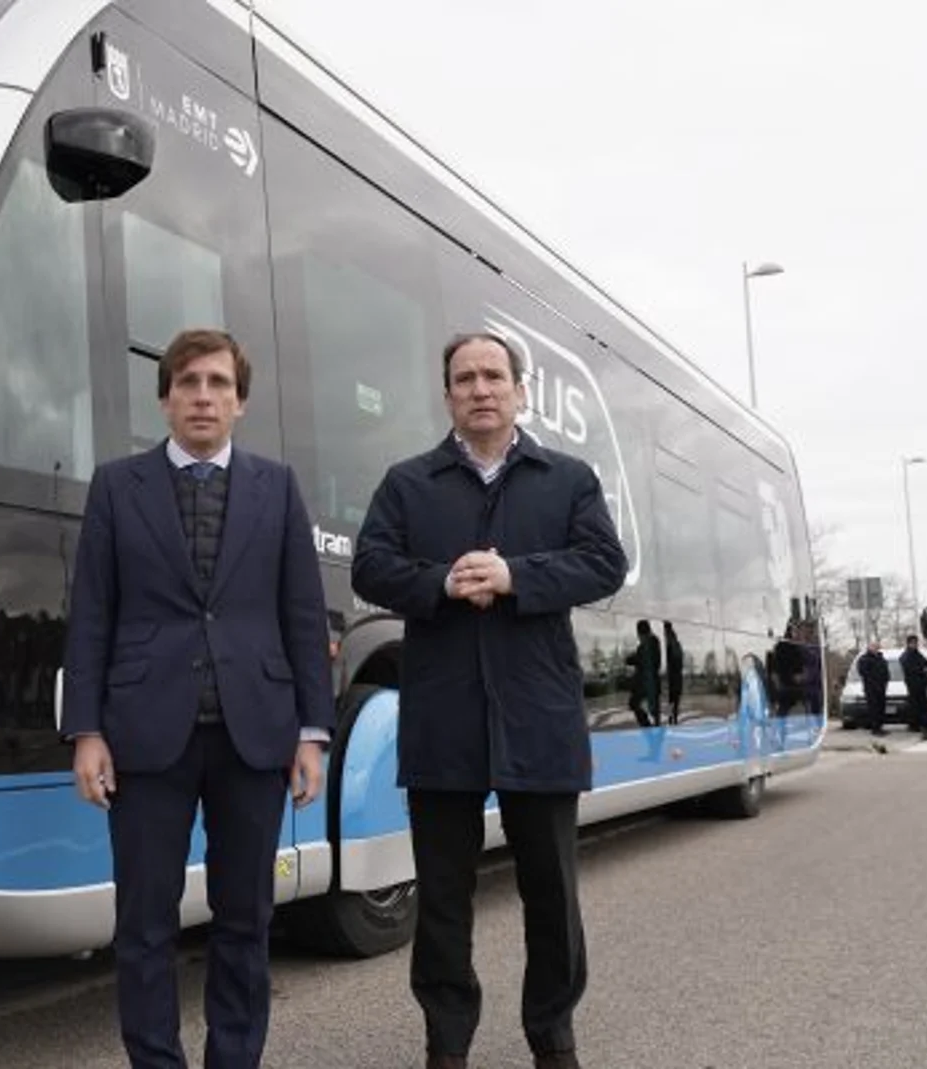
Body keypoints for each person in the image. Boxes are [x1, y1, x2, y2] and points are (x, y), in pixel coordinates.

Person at [61, 328, 335, 1069]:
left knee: (246, 918)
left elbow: (303, 615)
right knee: (144, 923)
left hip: (257, 735)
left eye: (218, 383)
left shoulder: (276, 486)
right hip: (145, 737)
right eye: (188, 383)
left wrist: (312, 731)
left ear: (240, 402)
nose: (203, 396)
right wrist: (85, 729)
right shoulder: (118, 485)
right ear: (166, 399)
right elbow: (92, 612)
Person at [352, 332, 627, 1069]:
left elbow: (606, 562)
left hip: (538, 715)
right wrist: (439, 584)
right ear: (447, 395)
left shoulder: (567, 478)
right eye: (465, 377)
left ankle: (553, 1033)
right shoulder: (408, 484)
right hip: (442, 719)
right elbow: (372, 566)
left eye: (494, 376)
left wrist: (515, 577)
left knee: (552, 894)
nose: (480, 388)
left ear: (519, 390)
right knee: (442, 901)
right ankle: (446, 1042)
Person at [898, 635, 927, 740]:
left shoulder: (918, 654)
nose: (915, 645)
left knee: (926, 705)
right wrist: (922, 670)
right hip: (914, 685)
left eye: (916, 643)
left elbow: (926, 664)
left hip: (923, 684)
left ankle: (926, 726)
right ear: (909, 643)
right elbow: (910, 669)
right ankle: (920, 726)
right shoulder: (906, 656)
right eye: (913, 643)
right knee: (918, 706)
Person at [624, 620, 660, 729]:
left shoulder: (647, 644)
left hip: (646, 683)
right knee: (652, 711)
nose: (638, 636)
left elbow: (642, 660)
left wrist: (630, 659)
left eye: (638, 633)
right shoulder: (652, 643)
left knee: (635, 704)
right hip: (650, 683)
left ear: (641, 632)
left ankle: (650, 730)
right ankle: (653, 733)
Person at [857, 641, 891, 737]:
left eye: (876, 647)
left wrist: (886, 680)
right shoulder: (864, 659)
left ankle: (880, 726)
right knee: (874, 708)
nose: (875, 648)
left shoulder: (881, 658)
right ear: (869, 648)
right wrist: (873, 682)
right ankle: (875, 728)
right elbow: (863, 673)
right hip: (871, 688)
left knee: (881, 707)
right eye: (873, 647)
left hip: (881, 687)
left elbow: (886, 671)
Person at [663, 621, 684, 725]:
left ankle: (672, 720)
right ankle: (672, 720)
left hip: (674, 680)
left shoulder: (672, 643)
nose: (665, 635)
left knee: (672, 701)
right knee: (673, 701)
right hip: (675, 679)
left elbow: (676, 663)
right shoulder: (674, 643)